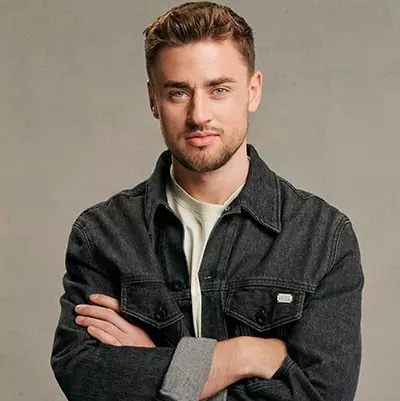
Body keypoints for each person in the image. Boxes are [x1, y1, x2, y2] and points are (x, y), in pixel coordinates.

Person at [51, 2, 364, 401]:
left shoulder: (323, 237)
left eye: (218, 90)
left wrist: (161, 366)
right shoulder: (102, 235)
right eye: (178, 92)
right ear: (153, 99)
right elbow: (84, 377)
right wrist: (242, 355)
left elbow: (321, 396)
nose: (199, 115)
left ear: (253, 91)